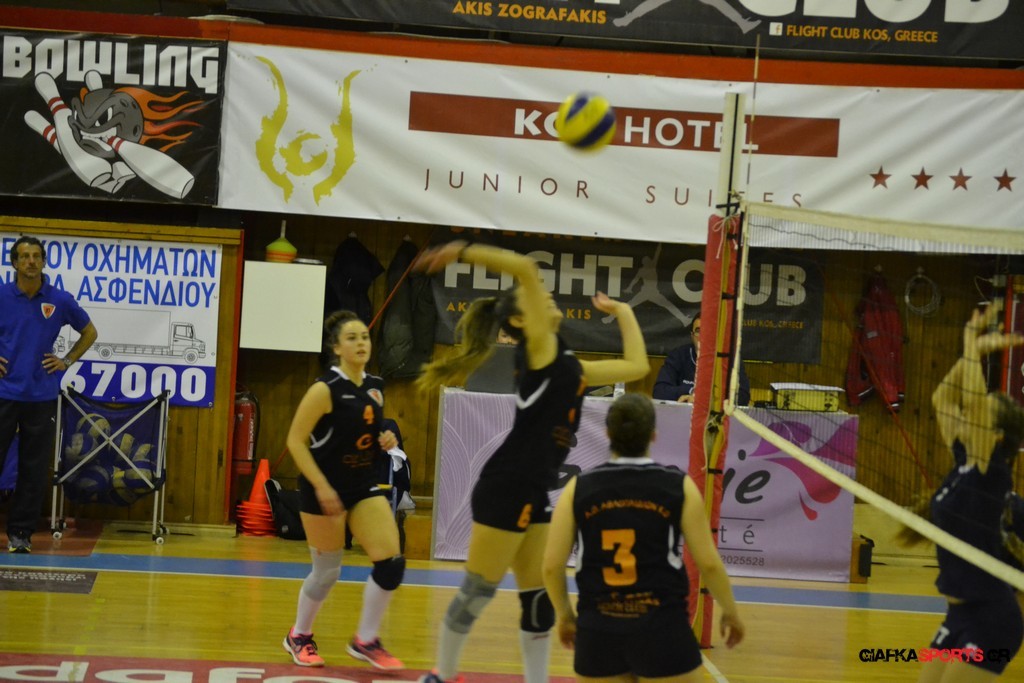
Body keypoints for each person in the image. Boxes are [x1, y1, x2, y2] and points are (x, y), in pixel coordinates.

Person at [414, 241, 650, 683]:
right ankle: (441, 676)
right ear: (522, 321)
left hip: (534, 487)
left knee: (538, 598)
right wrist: (461, 251)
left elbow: (636, 366)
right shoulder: (539, 348)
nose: (547, 295)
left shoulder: (568, 364)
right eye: (537, 296)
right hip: (507, 484)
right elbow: (524, 267)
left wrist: (623, 311)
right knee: (478, 591)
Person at [542, 392, 744, 682]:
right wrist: (730, 611)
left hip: (599, 629)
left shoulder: (579, 488)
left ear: (607, 434)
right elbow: (708, 564)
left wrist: (565, 616)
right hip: (662, 628)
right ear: (653, 435)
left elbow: (551, 566)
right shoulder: (678, 486)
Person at [898, 304, 1024, 682]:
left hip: (991, 620)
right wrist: (973, 352)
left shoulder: (990, 474)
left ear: (995, 436)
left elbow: (973, 400)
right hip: (958, 616)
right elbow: (943, 399)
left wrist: (971, 341)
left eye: (977, 414)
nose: (966, 415)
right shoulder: (964, 464)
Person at [282, 310, 405, 670]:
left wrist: (386, 437)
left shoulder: (376, 386)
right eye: (351, 338)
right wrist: (322, 487)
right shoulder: (324, 389)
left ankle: (366, 639)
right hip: (323, 487)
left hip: (362, 485)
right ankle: (299, 635)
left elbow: (368, 430)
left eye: (364, 337)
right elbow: (295, 441)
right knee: (327, 573)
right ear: (336, 347)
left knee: (391, 564)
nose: (361, 343)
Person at [0, 235, 97, 554]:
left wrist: (66, 361)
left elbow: (90, 332)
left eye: (36, 256)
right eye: (24, 256)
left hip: (41, 396)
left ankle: (20, 534)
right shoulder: (2, 295)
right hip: (4, 392)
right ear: (14, 263)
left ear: (43, 261)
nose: (31, 261)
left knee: (33, 468)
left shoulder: (59, 299)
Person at [652, 315, 750, 406]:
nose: (703, 336)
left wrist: (707, 397)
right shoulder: (677, 356)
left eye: (708, 330)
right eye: (698, 331)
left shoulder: (730, 359)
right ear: (692, 335)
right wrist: (691, 391)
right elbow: (659, 391)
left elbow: (743, 396)